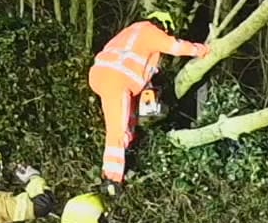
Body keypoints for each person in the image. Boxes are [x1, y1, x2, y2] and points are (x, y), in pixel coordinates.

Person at [88, 10, 208, 192]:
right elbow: (175, 47)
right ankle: (112, 179)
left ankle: (123, 160)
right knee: (117, 130)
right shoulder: (150, 31)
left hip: (106, 76)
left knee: (126, 125)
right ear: (163, 26)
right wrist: (202, 50)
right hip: (117, 79)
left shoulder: (132, 32)